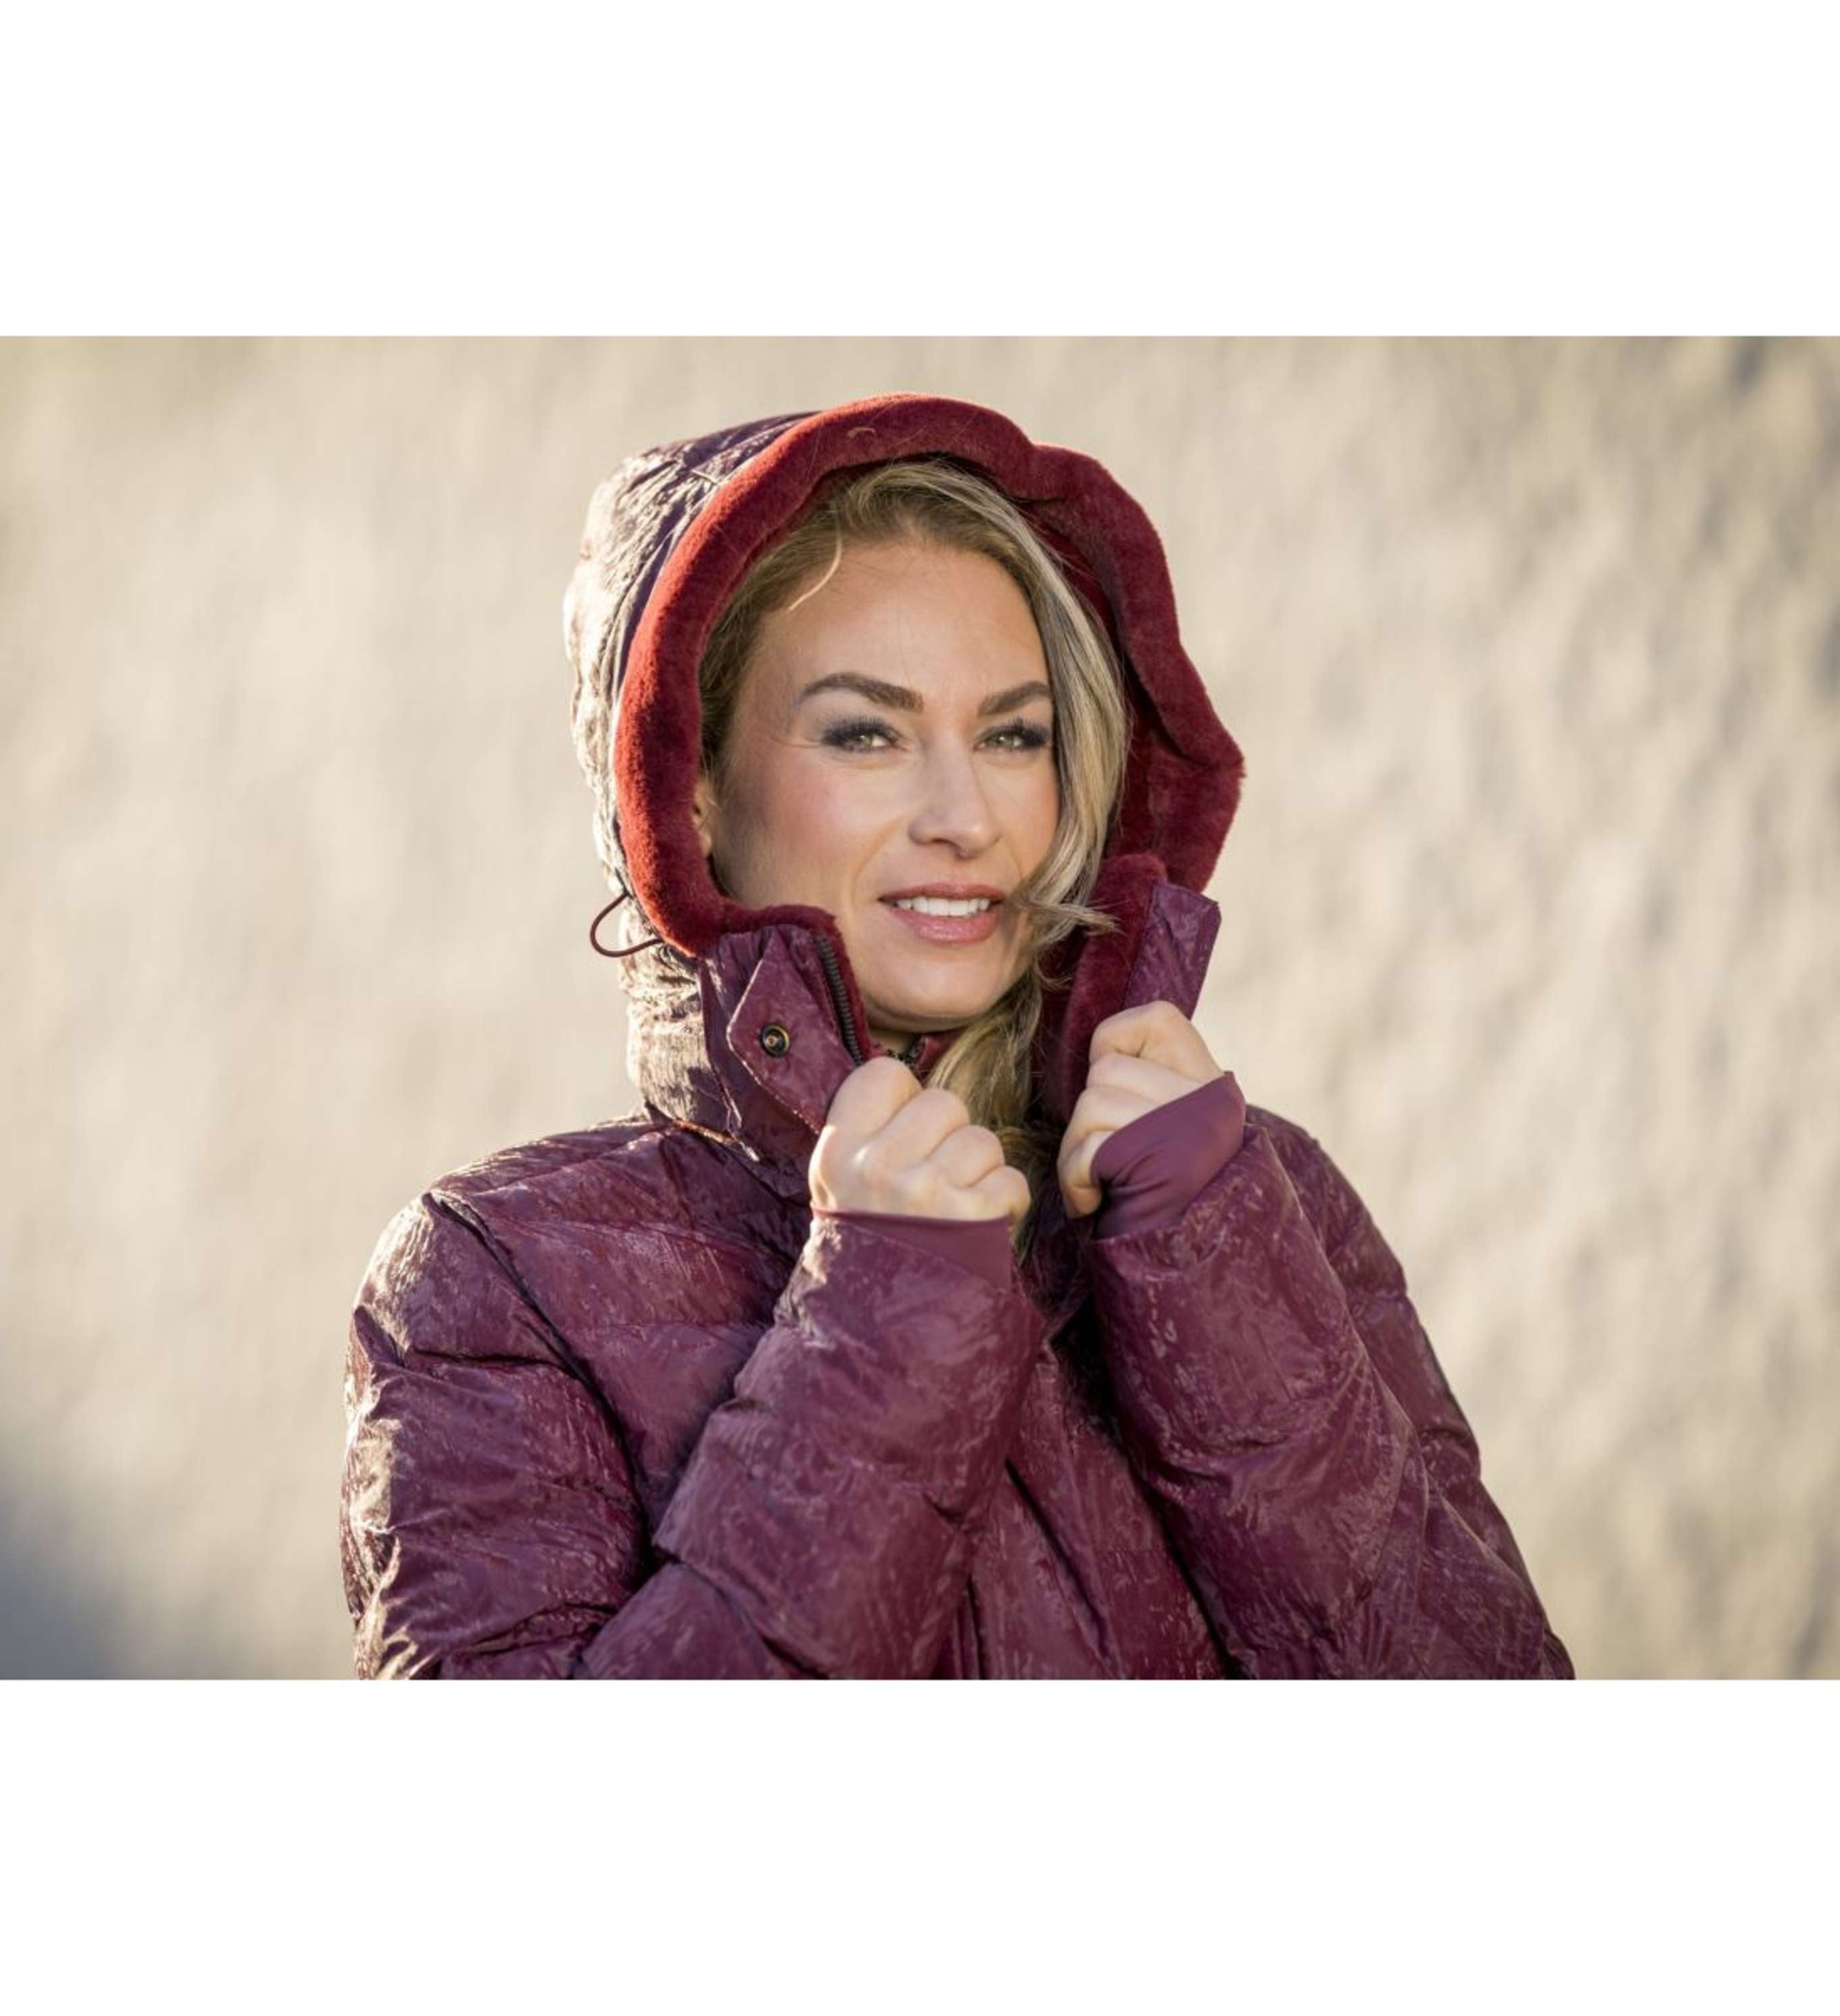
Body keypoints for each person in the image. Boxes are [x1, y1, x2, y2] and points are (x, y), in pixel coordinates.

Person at [338, 390, 1575, 1679]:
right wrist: (883, 1318)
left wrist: (1218, 1273)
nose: (966, 815)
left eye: (1013, 734)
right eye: (867, 732)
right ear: (686, 786)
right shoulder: (499, 1279)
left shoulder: (1263, 1199)